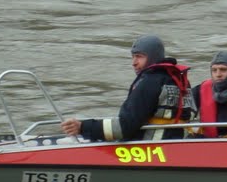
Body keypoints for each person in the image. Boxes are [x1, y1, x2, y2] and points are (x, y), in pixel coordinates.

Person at [60, 35, 194, 142]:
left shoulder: (149, 83)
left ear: (153, 57)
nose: (134, 63)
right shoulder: (181, 80)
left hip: (150, 152)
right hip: (177, 145)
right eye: (133, 56)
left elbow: (125, 126)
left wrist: (83, 127)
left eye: (139, 56)